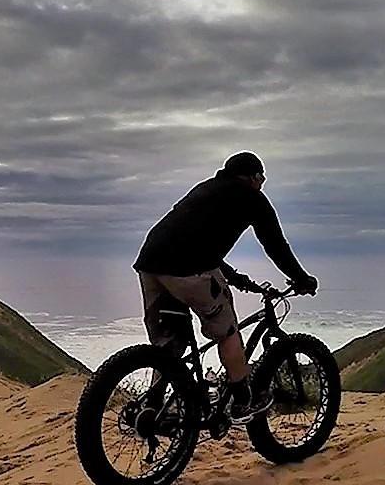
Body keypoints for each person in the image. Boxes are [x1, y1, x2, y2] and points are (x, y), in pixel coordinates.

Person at [132, 152, 319, 423]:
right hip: (187, 267)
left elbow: (190, 239)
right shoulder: (252, 198)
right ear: (253, 177)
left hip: (150, 265)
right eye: (262, 177)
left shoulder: (205, 189)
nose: (262, 182)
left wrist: (234, 277)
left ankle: (153, 407)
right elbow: (276, 245)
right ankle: (243, 402)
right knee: (227, 330)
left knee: (169, 344)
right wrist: (301, 278)